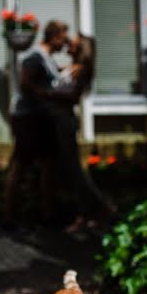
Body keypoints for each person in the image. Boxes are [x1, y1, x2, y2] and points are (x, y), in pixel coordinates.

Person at [5, 20, 69, 226]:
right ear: (55, 37)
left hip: (39, 117)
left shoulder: (46, 58)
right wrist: (52, 95)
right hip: (29, 118)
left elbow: (47, 76)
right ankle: (10, 217)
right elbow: (26, 84)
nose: (65, 43)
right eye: (64, 38)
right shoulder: (35, 56)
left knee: (47, 165)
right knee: (21, 165)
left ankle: (47, 214)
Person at [46, 33, 113, 232]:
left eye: (74, 41)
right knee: (69, 170)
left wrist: (42, 92)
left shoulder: (82, 70)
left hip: (65, 121)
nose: (70, 43)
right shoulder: (70, 67)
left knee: (74, 170)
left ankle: (97, 209)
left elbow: (72, 95)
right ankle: (91, 212)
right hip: (59, 120)